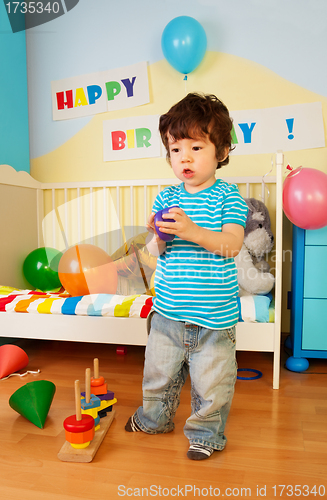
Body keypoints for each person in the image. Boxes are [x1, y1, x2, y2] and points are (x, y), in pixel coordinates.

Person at [125, 93, 248, 460]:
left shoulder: (229, 197)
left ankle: (205, 435)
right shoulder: (165, 197)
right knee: (157, 376)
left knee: (213, 384)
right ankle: (153, 420)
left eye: (196, 146)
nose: (185, 158)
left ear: (222, 152)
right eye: (175, 149)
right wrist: (156, 235)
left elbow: (232, 245)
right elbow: (155, 253)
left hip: (214, 317)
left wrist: (192, 230)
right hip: (167, 312)